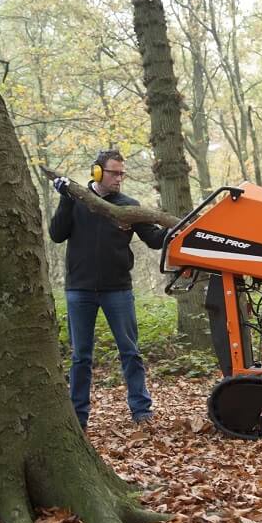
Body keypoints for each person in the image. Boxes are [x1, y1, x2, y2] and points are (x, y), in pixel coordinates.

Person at [49, 150, 168, 430]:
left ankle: (141, 410)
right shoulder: (76, 201)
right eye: (113, 172)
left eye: (121, 173)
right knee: (81, 356)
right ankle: (78, 417)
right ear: (97, 172)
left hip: (118, 290)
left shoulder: (129, 205)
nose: (119, 178)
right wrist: (65, 200)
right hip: (80, 289)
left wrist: (178, 228)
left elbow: (153, 239)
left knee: (130, 352)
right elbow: (56, 235)